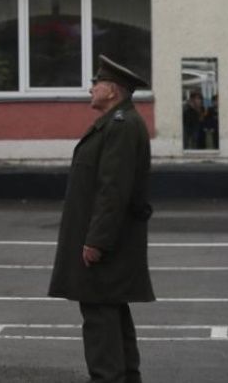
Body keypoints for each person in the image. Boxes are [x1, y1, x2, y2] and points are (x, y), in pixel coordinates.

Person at [49, 55, 155, 383]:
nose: (90, 89)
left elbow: (113, 191)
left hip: (107, 242)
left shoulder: (121, 126)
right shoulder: (116, 123)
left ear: (112, 91)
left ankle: (109, 377)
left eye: (96, 83)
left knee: (100, 315)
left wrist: (97, 240)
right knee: (111, 311)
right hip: (109, 239)